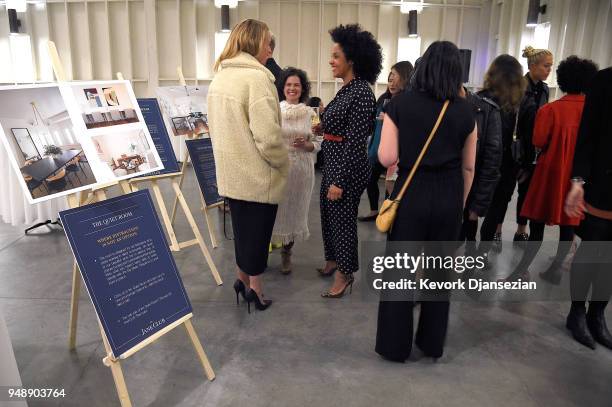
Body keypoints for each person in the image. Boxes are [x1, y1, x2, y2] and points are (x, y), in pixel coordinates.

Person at [375, 41, 477, 361]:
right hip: (448, 194)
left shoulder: (400, 104)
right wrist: (459, 203)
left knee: (400, 273)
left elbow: (387, 156)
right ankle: (431, 344)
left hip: (410, 192)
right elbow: (469, 165)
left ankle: (394, 347)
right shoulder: (465, 110)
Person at [207, 19, 288, 313]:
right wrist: (283, 163)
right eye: (268, 43)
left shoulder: (220, 78)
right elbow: (267, 137)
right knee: (258, 237)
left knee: (242, 233)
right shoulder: (257, 79)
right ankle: (257, 290)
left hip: (232, 175)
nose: (270, 50)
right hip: (257, 177)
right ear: (255, 43)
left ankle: (240, 281)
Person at [501, 56, 599, 283]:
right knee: (569, 225)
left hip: (551, 173)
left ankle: (520, 272)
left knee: (536, 226)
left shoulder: (550, 110)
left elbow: (538, 140)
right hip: (579, 177)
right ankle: (554, 270)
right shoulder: (594, 113)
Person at [316, 24, 382, 298]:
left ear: (351, 60)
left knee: (342, 221)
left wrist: (340, 182)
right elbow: (340, 127)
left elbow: (355, 142)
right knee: (327, 214)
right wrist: (324, 129)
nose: (331, 61)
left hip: (347, 168)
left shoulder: (363, 93)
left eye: (336, 57)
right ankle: (332, 260)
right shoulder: (346, 89)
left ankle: (345, 273)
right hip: (332, 162)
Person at [564, 67, 612, 350]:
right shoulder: (603, 81)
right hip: (602, 183)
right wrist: (578, 180)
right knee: (593, 248)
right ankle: (577, 312)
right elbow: (587, 135)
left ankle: (597, 315)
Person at [476, 55, 527, 257]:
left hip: (480, 164)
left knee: (470, 212)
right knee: (495, 212)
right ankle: (481, 255)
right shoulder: (520, 104)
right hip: (507, 167)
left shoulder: (479, 99)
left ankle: (465, 256)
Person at [272, 67, 320, 274]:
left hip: (302, 170)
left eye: (296, 85)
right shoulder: (274, 111)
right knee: (274, 212)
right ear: (283, 87)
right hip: (278, 168)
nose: (292, 88)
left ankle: (287, 254)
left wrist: (307, 145)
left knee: (294, 212)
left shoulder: (312, 113)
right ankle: (264, 250)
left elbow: (319, 140)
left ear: (303, 89)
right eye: (289, 84)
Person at [358, 61, 414, 222]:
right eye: (390, 76)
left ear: (405, 78)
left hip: (397, 153)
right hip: (377, 148)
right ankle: (375, 210)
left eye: (395, 76)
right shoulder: (384, 99)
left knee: (391, 183)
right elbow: (372, 121)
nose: (391, 80)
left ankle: (389, 215)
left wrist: (390, 120)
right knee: (370, 179)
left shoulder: (408, 101)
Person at [512, 46, 553, 244]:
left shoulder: (544, 89)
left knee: (526, 191)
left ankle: (521, 229)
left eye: (551, 66)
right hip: (517, 143)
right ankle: (497, 229)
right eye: (546, 66)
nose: (549, 70)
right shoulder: (519, 86)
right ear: (533, 65)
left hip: (534, 147)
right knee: (504, 192)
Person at [460, 78, 503, 252]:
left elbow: (491, 164)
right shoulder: (435, 105)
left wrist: (478, 206)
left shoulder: (485, 110)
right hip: (444, 197)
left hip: (470, 194)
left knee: (467, 236)